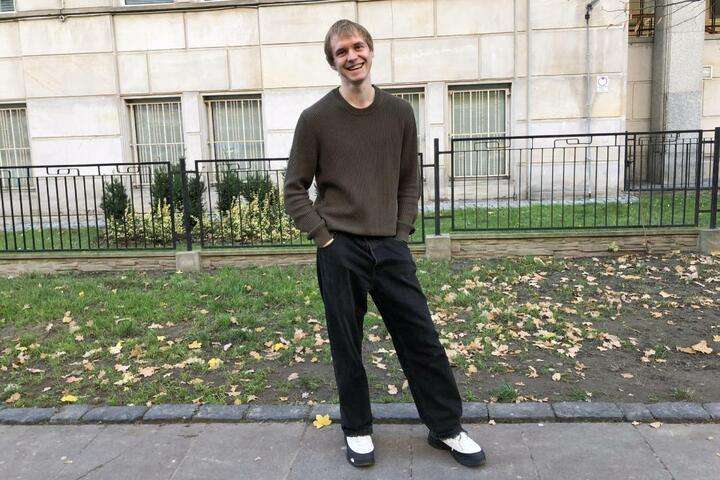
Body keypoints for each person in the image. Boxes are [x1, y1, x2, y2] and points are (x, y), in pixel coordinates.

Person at [283, 19, 486, 469]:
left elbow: (409, 179)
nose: (351, 56)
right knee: (347, 343)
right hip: (340, 249)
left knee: (421, 337)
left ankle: (445, 427)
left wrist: (401, 232)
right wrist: (324, 238)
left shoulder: (399, 113)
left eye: (357, 47)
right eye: (341, 51)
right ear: (333, 62)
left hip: (390, 248)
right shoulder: (315, 119)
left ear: (371, 51)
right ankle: (357, 429)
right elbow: (294, 188)